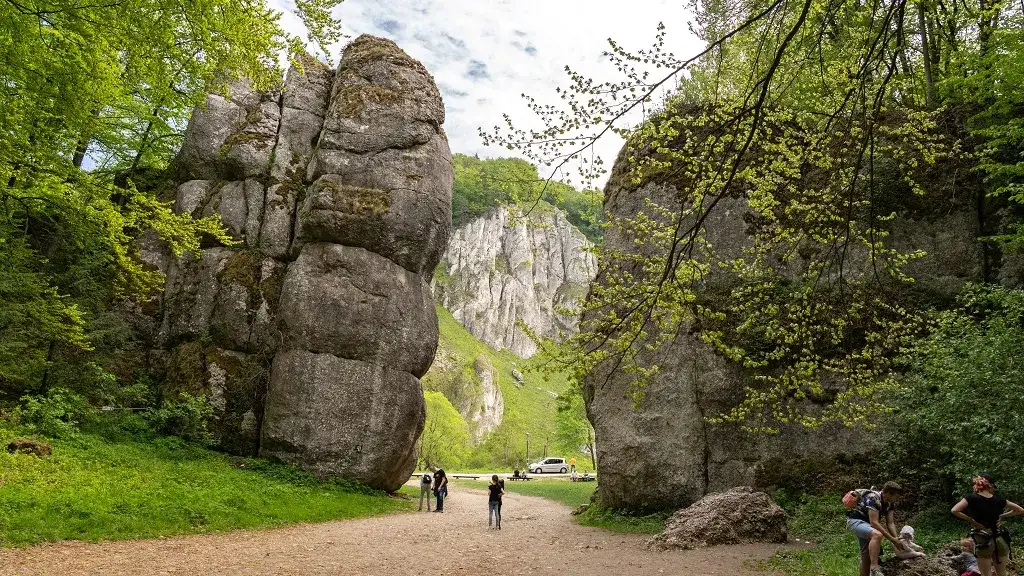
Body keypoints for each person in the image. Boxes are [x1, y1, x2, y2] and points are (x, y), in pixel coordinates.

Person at [951, 474, 1024, 576]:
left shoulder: (971, 498)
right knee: (1002, 573)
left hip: (983, 539)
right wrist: (1002, 516)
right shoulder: (999, 499)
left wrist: (972, 520)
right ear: (991, 486)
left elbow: (954, 510)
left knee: (986, 574)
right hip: (1000, 538)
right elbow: (1020, 510)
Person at [846, 482, 907, 576]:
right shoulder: (873, 498)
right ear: (889, 493)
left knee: (866, 557)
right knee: (877, 535)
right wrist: (892, 540)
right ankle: (874, 568)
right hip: (856, 522)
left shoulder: (890, 504)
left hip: (867, 525)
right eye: (896, 496)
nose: (897, 499)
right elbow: (874, 523)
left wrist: (897, 539)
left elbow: (890, 523)